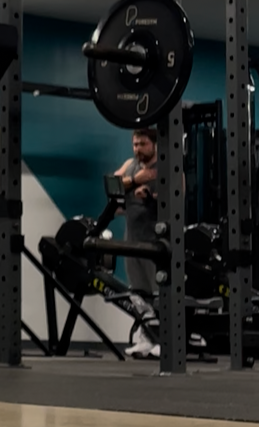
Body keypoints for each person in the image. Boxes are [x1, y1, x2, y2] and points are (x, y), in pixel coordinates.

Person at [114, 128, 159, 357]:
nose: (138, 149)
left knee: (159, 293)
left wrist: (150, 197)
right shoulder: (130, 166)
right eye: (135, 144)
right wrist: (133, 181)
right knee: (139, 294)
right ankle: (146, 339)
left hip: (156, 242)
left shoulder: (165, 167)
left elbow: (178, 196)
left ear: (154, 144)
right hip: (132, 239)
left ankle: (165, 340)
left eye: (143, 144)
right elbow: (112, 185)